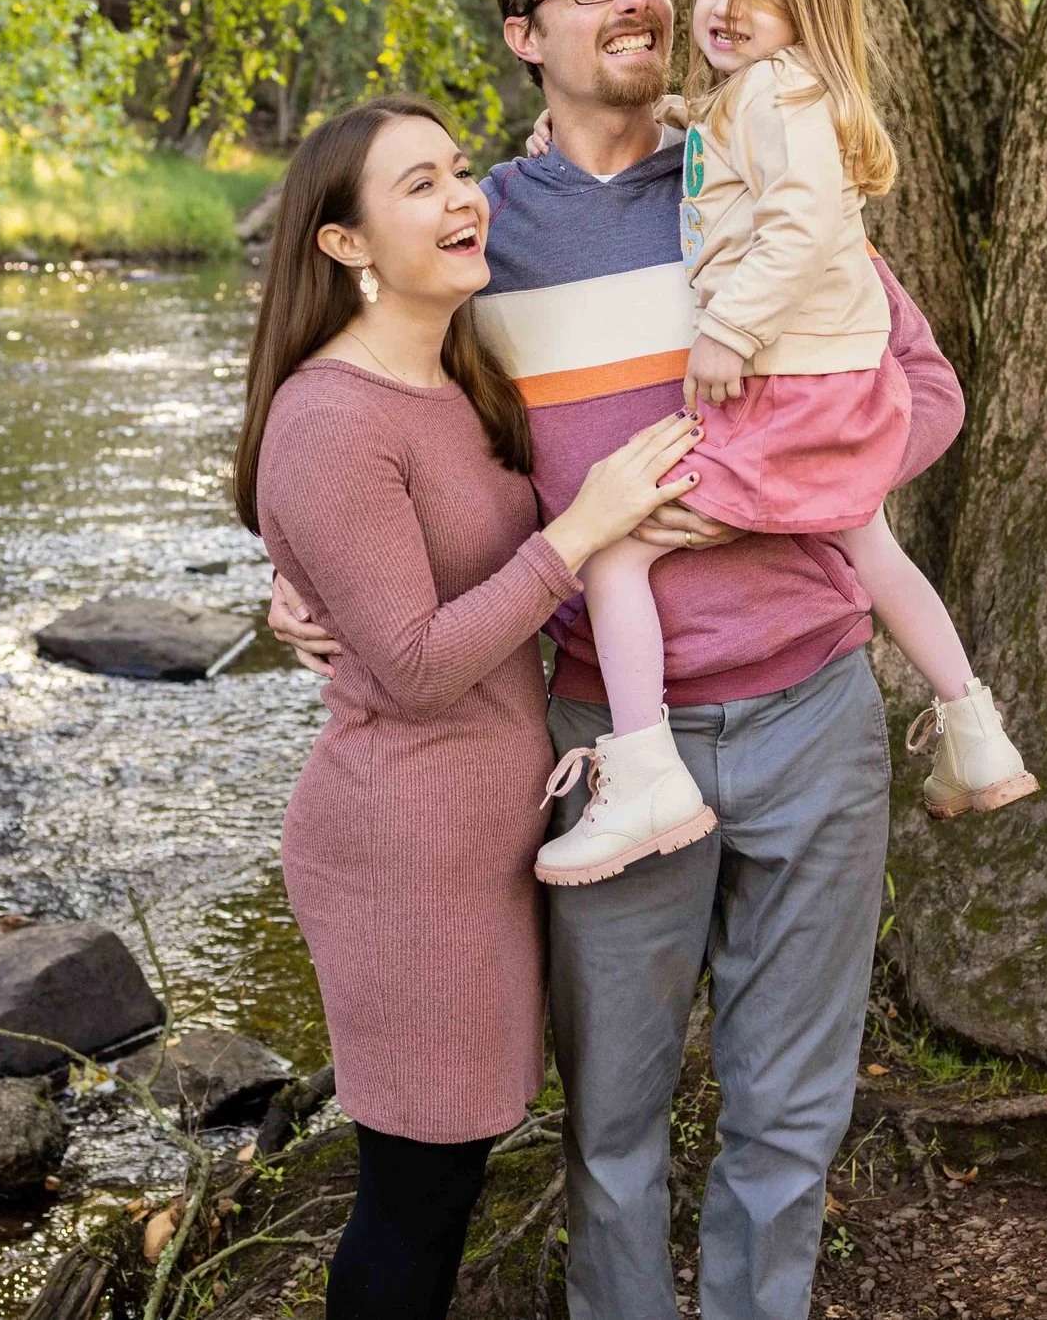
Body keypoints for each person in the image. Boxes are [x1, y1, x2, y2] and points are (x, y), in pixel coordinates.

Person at [270, 0, 970, 1320]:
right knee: (609, 1127)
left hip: (814, 707)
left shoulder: (769, 172)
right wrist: (293, 579)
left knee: (789, 1115)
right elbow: (379, 433)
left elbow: (928, 395)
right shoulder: (481, 234)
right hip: (607, 732)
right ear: (526, 36)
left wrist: (759, 502)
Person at [233, 94, 706, 1320]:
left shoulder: (453, 369)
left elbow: (390, 571)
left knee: (448, 1173)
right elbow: (416, 662)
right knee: (416, 1187)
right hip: (403, 851)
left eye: (460, 171)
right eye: (419, 187)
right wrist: (581, 532)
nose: (461, 199)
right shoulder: (332, 414)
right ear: (342, 244)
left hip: (488, 831)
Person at [525, 0, 1035, 890]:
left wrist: (728, 328)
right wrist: (664, 112)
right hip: (832, 387)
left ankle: (642, 773)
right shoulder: (768, 98)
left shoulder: (781, 93)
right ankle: (974, 726)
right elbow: (737, 161)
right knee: (871, 542)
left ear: (809, 5)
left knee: (616, 551)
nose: (721, 10)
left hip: (788, 384)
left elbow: (799, 225)